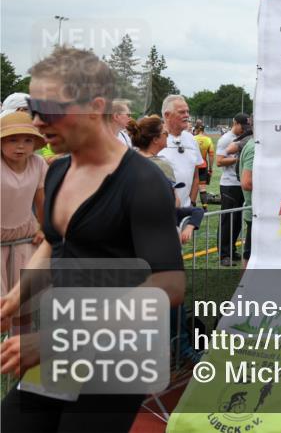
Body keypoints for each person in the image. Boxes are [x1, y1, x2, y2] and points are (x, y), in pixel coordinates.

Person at [0, 46, 184, 432]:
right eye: (34, 109)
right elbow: (54, 241)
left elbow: (168, 285)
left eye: (48, 110)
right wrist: (14, 298)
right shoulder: (57, 170)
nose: (36, 122)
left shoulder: (143, 181)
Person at [127, 115, 202, 244]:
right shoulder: (161, 164)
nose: (167, 136)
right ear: (155, 139)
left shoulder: (128, 159)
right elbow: (174, 199)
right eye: (165, 133)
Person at [1, 112, 47, 297]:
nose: (21, 146)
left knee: (25, 298)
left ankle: (25, 326)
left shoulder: (38, 163)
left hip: (24, 238)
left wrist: (44, 228)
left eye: (28, 140)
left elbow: (42, 200)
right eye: (12, 140)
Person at [215, 114, 249, 266]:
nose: (246, 129)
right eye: (244, 126)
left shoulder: (245, 137)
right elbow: (219, 161)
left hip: (240, 184)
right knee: (227, 220)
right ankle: (224, 254)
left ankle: (232, 249)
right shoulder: (226, 139)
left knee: (236, 221)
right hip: (229, 184)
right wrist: (239, 158)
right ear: (236, 123)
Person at [158, 95, 203, 210]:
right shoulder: (154, 139)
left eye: (187, 111)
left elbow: (196, 177)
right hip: (160, 213)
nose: (187, 115)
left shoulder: (191, 139)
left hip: (185, 211)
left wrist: (191, 203)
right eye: (181, 112)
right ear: (167, 115)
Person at [239, 137, 254, 263]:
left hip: (254, 209)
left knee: (249, 252)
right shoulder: (254, 147)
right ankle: (245, 283)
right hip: (255, 209)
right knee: (250, 254)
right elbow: (246, 182)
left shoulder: (252, 144)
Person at [192, 120, 215, 206]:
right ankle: (205, 208)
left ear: (197, 129)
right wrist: (210, 169)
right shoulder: (208, 140)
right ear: (203, 130)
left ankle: (192, 206)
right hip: (203, 166)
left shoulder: (192, 139)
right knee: (202, 188)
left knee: (192, 187)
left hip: (193, 167)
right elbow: (211, 155)